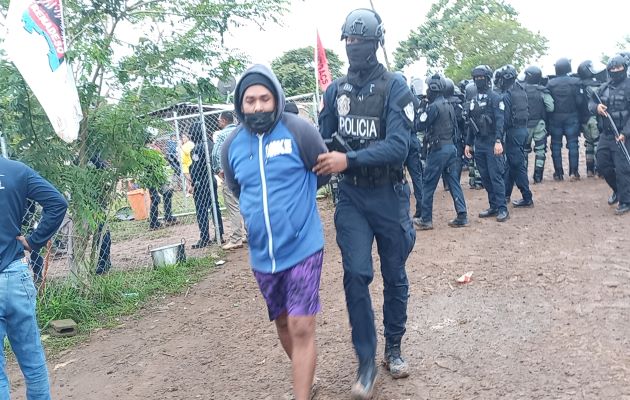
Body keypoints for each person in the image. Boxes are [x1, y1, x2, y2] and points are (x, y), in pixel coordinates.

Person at [315, 8, 416, 399]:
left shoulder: (396, 87)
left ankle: (394, 346)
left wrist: (350, 158)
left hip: (389, 195)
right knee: (356, 274)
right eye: (350, 41)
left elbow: (398, 146)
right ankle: (366, 361)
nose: (355, 47)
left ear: (377, 44)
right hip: (352, 197)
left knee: (395, 274)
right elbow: (323, 143)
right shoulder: (334, 91)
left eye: (363, 42)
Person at [222, 64, 329, 400]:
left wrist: (294, 213)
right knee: (283, 324)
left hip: (303, 245)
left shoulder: (300, 131)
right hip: (263, 254)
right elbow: (239, 189)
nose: (257, 107)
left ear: (276, 98)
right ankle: (306, 380)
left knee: (301, 326)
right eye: (250, 100)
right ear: (240, 104)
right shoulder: (231, 146)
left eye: (264, 98)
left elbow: (322, 172)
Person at [0, 157, 68, 399]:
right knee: (32, 361)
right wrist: (34, 241)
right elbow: (57, 203)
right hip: (16, 274)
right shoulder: (16, 171)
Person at [415, 74, 468, 230]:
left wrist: (421, 108)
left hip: (438, 150)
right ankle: (462, 214)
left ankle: (426, 219)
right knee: (453, 182)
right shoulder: (448, 104)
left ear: (433, 88)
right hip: (451, 148)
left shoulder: (433, 107)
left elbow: (419, 125)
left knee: (428, 183)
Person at [464, 65, 510, 222]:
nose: (478, 80)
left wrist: (498, 140)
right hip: (479, 143)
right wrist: (468, 143)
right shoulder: (473, 100)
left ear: (488, 79)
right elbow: (471, 123)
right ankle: (493, 205)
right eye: (476, 78)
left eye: (481, 78)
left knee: (495, 175)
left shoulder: (496, 98)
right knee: (484, 177)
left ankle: (502, 208)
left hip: (492, 142)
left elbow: (500, 121)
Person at [589, 54, 630, 215]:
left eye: (618, 67)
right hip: (607, 135)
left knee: (622, 168)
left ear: (624, 68)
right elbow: (591, 102)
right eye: (612, 68)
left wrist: (625, 133)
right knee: (602, 164)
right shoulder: (603, 87)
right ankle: (618, 190)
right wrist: (596, 107)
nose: (615, 70)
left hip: (624, 135)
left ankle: (626, 201)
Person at [495, 65, 534, 208]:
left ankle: (527, 197)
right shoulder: (521, 90)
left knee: (517, 165)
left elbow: (504, 120)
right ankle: (506, 194)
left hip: (514, 132)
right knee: (511, 164)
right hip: (523, 130)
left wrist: (497, 136)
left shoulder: (507, 95)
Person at [211, 111, 245, 250]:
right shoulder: (241, 132)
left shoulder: (222, 135)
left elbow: (215, 153)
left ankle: (236, 238)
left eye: (219, 120)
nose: (219, 123)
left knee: (233, 205)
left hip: (229, 173)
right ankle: (250, 234)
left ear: (224, 121)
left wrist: (218, 169)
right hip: (244, 172)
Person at [188, 120, 224, 248]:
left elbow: (196, 169)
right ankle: (220, 233)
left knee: (201, 210)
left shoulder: (197, 149)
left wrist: (193, 184)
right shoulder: (210, 144)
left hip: (201, 181)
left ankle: (204, 237)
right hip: (211, 180)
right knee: (215, 207)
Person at [546, 58, 583, 181]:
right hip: (572, 116)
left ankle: (558, 173)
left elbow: (548, 103)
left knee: (556, 145)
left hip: (555, 118)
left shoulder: (550, 84)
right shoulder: (576, 82)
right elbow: (580, 101)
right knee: (573, 144)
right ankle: (574, 172)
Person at [522, 65, 554, 183]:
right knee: (540, 150)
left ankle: (523, 176)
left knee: (524, 151)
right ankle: (538, 176)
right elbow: (551, 107)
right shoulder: (542, 91)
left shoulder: (521, 90)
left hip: (524, 125)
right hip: (539, 125)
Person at [577, 60, 604, 177]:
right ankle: (598, 169)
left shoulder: (579, 84)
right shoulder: (594, 86)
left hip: (583, 119)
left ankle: (589, 169)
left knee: (589, 143)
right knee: (597, 143)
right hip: (593, 118)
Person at [147, 140, 177, 230]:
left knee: (168, 193)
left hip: (160, 174)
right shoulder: (146, 150)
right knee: (155, 198)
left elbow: (162, 160)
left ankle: (168, 217)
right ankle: (153, 223)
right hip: (150, 176)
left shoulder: (155, 148)